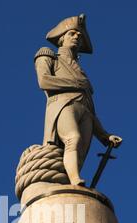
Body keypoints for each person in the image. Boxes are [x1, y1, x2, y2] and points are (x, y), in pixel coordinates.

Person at [34, 14, 122, 186]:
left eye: (79, 36)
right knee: (72, 138)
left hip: (85, 113)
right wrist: (76, 83)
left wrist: (105, 135)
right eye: (72, 34)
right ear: (61, 38)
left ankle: (70, 183)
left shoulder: (82, 73)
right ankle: (75, 180)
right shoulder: (48, 56)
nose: (76, 38)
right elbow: (44, 81)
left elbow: (90, 109)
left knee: (79, 153)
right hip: (63, 105)